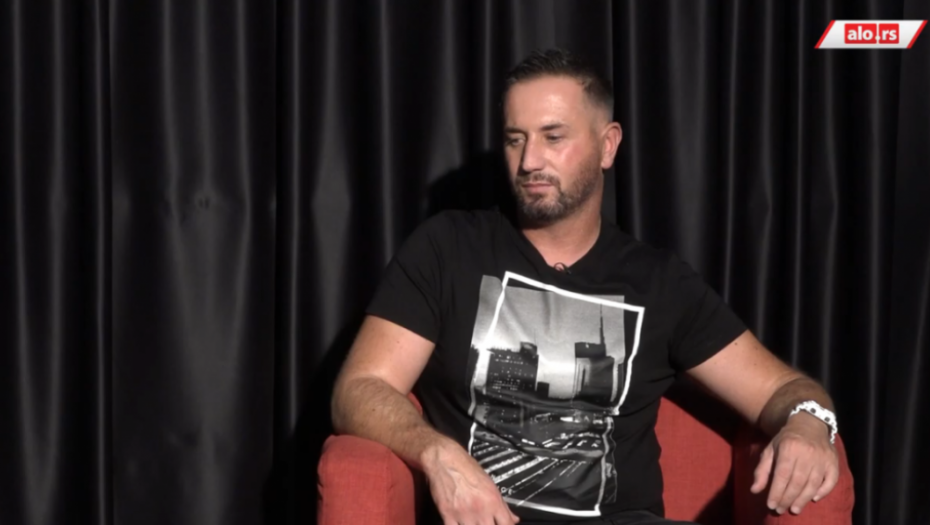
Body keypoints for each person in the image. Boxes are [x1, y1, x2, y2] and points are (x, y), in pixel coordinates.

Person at [331, 49, 839, 525]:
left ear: (607, 145)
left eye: (553, 137)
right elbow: (359, 388)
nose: (529, 161)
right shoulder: (448, 248)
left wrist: (809, 424)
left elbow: (784, 389)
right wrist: (436, 452)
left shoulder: (658, 283)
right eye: (515, 138)